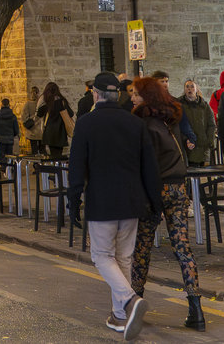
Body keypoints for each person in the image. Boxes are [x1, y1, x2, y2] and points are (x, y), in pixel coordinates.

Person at [66, 72, 158, 340]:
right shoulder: (134, 123)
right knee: (124, 258)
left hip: (102, 201)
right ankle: (119, 316)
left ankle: (129, 300)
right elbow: (149, 167)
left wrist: (73, 201)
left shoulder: (86, 124)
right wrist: (154, 203)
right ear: (117, 95)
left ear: (95, 94)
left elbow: (76, 168)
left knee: (102, 256)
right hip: (132, 200)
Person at [130, 77, 205, 332]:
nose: (132, 98)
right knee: (182, 246)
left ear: (147, 96)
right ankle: (196, 309)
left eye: (136, 94)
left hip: (156, 187)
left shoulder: (145, 124)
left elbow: (146, 162)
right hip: (178, 187)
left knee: (142, 247)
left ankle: (134, 302)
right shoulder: (169, 120)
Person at [179, 80, 214, 168]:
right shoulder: (179, 105)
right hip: (187, 145)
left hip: (202, 146)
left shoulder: (204, 106)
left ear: (196, 89)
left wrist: (209, 141)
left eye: (192, 87)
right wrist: (185, 139)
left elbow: (211, 125)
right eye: (187, 87)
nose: (189, 89)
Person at [36, 82, 75, 159]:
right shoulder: (62, 102)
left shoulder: (47, 103)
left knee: (52, 155)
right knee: (59, 155)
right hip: (61, 133)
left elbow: (39, 114)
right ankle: (58, 166)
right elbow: (71, 114)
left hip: (50, 132)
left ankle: (54, 166)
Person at [21, 85, 44, 157]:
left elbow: (24, 117)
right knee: (43, 151)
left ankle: (35, 163)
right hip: (41, 131)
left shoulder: (28, 104)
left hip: (32, 130)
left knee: (34, 151)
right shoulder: (42, 104)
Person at [0, 97, 19, 162]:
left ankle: (3, 167)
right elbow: (16, 129)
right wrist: (13, 135)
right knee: (9, 157)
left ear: (1, 104)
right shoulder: (13, 116)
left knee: (1, 157)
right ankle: (8, 167)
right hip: (10, 139)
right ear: (9, 105)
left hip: (0, 140)